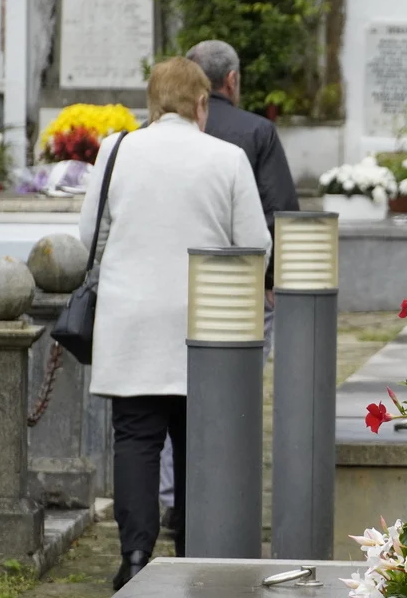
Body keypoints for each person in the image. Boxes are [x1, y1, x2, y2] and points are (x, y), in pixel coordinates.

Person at [80, 57, 272, 590]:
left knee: (136, 438)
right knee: (197, 440)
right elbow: (255, 245)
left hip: (132, 318)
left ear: (153, 103)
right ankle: (193, 548)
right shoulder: (227, 158)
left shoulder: (116, 151)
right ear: (202, 104)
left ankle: (135, 555)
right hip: (205, 321)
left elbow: (88, 239)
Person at [153, 40, 300, 530]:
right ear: (231, 80)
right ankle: (224, 488)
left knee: (171, 390)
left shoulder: (147, 139)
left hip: (167, 286)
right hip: (235, 291)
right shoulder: (256, 132)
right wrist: (272, 281)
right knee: (236, 389)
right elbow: (278, 211)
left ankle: (174, 497)